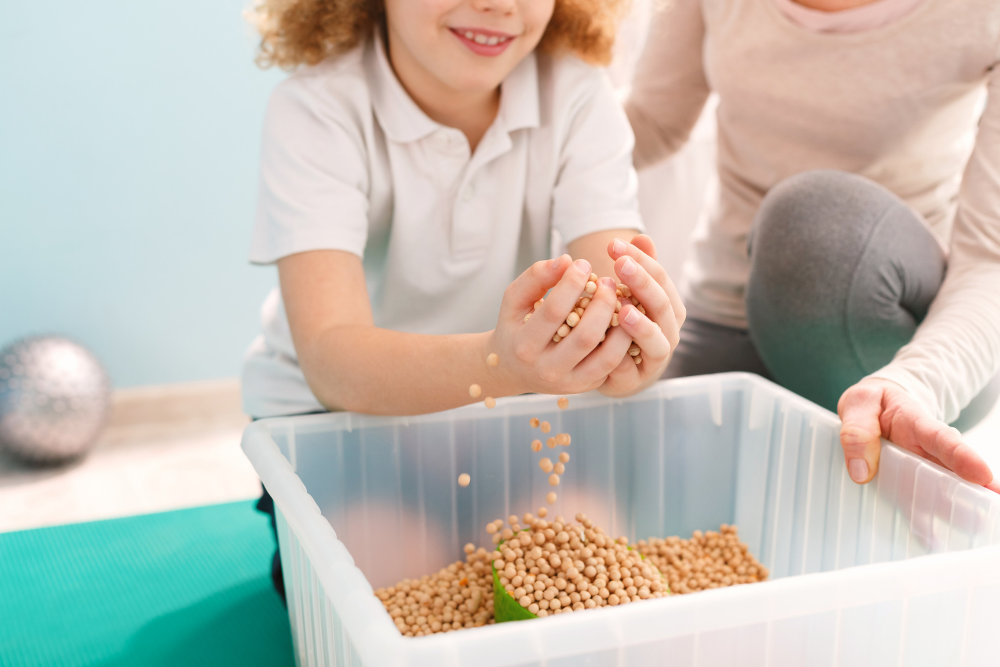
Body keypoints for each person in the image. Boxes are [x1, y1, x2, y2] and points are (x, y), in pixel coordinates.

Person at [242, 0, 685, 601]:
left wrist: (630, 348)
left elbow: (617, 281)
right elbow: (329, 359)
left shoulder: (578, 93)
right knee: (407, 585)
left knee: (583, 570)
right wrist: (497, 364)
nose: (498, 6)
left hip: (507, 414)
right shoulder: (318, 109)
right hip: (343, 424)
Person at [626, 0, 1000, 493]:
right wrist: (500, 104)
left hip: (910, 340)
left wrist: (913, 382)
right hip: (727, 312)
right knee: (629, 494)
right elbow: (652, 121)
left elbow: (990, 255)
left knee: (811, 220)